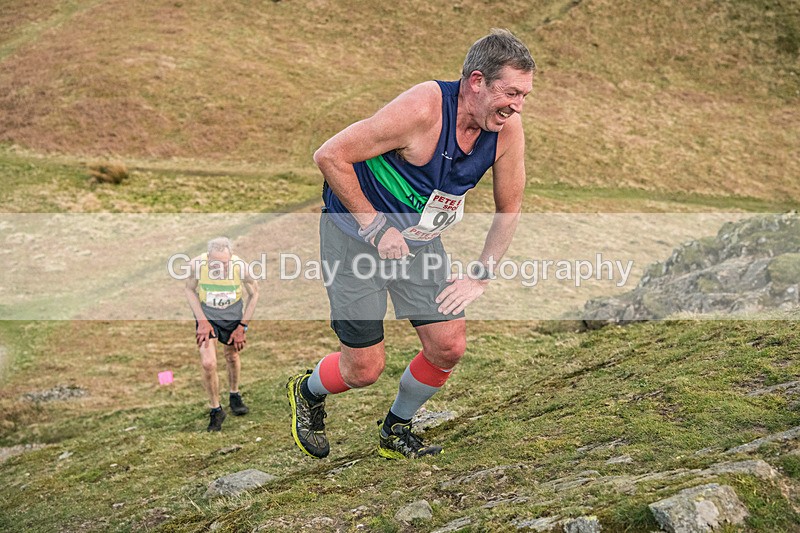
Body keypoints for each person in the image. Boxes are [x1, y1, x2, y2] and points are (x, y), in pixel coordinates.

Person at [287, 29, 535, 458]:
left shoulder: (506, 130)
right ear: (477, 81)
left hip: (418, 246)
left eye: (525, 96)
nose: (517, 105)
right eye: (511, 92)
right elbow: (330, 156)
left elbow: (508, 207)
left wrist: (482, 273)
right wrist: (376, 227)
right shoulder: (423, 109)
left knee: (448, 345)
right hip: (352, 240)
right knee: (363, 369)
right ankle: (307, 392)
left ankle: (395, 429)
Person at [186, 237, 259, 431]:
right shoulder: (196, 265)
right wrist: (202, 320)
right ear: (208, 258)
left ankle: (234, 395)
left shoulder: (240, 267)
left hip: (232, 315)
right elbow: (189, 290)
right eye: (215, 263)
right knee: (208, 363)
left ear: (231, 258)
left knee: (231, 355)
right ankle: (216, 410)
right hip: (207, 316)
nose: (221, 268)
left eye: (225, 263)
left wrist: (242, 327)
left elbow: (255, 294)